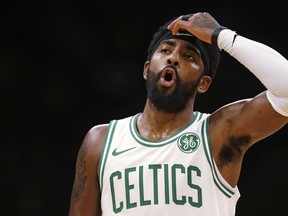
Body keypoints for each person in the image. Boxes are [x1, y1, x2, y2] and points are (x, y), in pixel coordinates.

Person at [68, 12, 288, 216]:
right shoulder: (101, 141)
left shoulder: (217, 134)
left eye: (189, 57)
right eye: (165, 50)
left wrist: (222, 36)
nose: (173, 58)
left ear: (203, 83)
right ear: (146, 69)